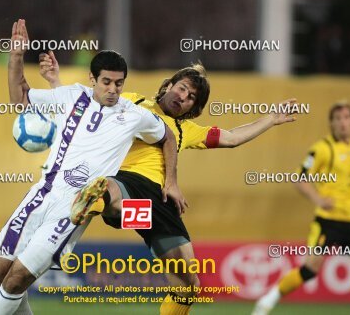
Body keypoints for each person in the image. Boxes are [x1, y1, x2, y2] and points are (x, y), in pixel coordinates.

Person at [40, 51, 298, 315]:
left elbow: (231, 137)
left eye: (191, 98)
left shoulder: (186, 130)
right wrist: (55, 82)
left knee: (188, 283)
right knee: (112, 190)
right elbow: (85, 102)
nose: (183, 97)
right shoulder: (132, 102)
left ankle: (97, 203)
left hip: (156, 205)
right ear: (168, 86)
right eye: (182, 88)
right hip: (126, 181)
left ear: (193, 108)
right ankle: (94, 200)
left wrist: (271, 119)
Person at [0, 19, 181, 315]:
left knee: (18, 278)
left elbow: (167, 136)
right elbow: (20, 99)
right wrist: (15, 56)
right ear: (92, 78)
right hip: (42, 192)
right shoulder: (71, 95)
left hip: (75, 206)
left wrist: (171, 182)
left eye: (119, 83)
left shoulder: (135, 115)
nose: (113, 89)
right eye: (106, 82)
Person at [253, 101, 350, 315]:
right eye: (337, 119)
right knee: (310, 270)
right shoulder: (322, 149)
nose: (343, 123)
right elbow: (299, 178)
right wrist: (318, 199)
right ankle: (268, 299)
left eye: (346, 118)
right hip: (328, 221)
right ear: (331, 123)